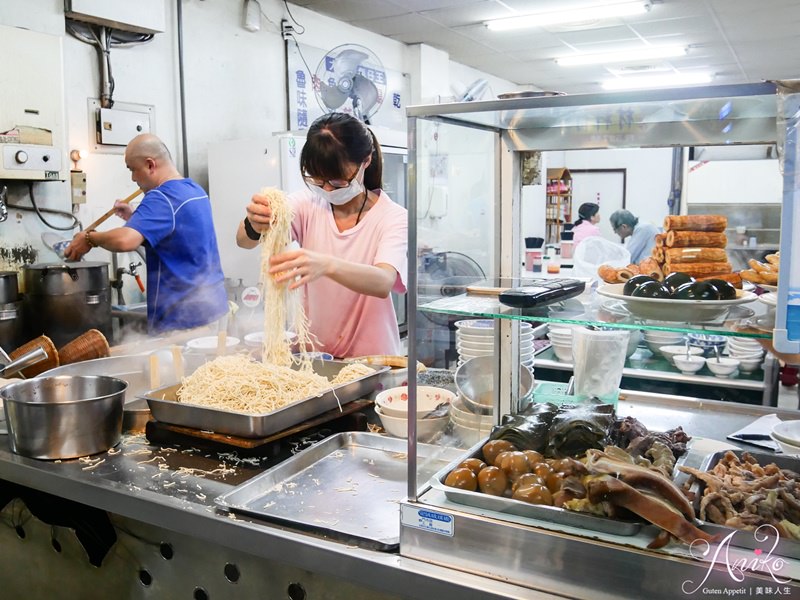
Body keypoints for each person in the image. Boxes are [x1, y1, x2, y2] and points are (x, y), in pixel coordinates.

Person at [236, 112, 407, 358]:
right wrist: (254, 222)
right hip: (316, 357)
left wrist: (326, 265)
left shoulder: (391, 216)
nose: (327, 189)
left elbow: (383, 281)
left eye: (338, 182)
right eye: (317, 180)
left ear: (366, 161)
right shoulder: (308, 203)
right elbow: (243, 241)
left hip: (373, 360)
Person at [64, 133, 229, 334]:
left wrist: (90, 237)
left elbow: (126, 241)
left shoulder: (161, 197)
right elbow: (177, 239)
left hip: (182, 320)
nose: (133, 178)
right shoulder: (193, 190)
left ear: (150, 165)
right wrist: (135, 218)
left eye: (133, 170)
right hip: (213, 308)